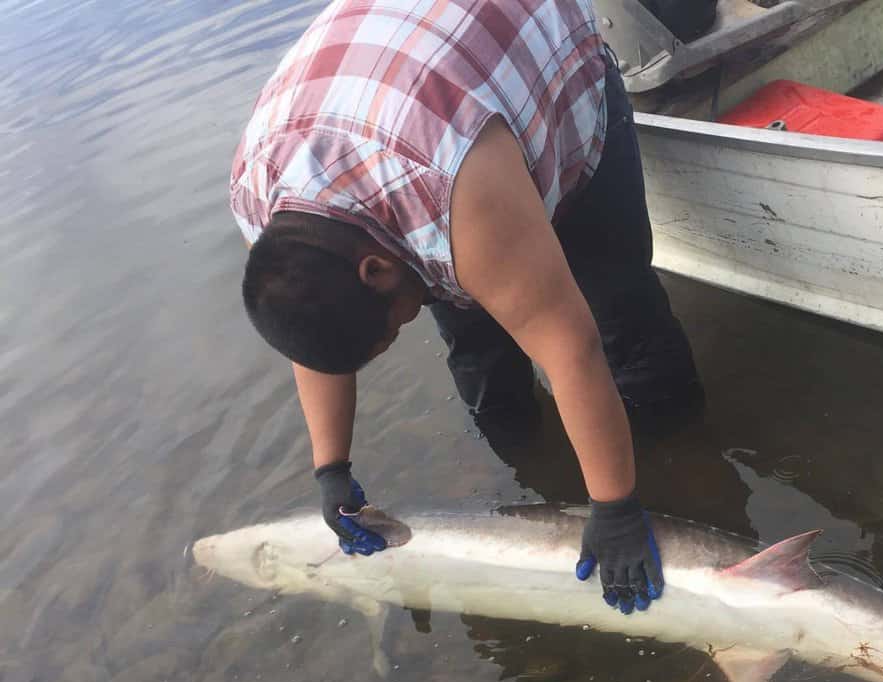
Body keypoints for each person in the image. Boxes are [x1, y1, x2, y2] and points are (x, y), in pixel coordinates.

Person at [230, 0, 704, 615]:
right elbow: (313, 330)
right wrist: (332, 468)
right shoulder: (263, 204)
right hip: (418, 106)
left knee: (617, 318)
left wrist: (614, 509)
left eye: (390, 330)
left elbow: (570, 347)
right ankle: (539, 461)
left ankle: (687, 457)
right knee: (480, 356)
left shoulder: (448, 185)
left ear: (374, 269)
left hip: (544, 63)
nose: (404, 328)